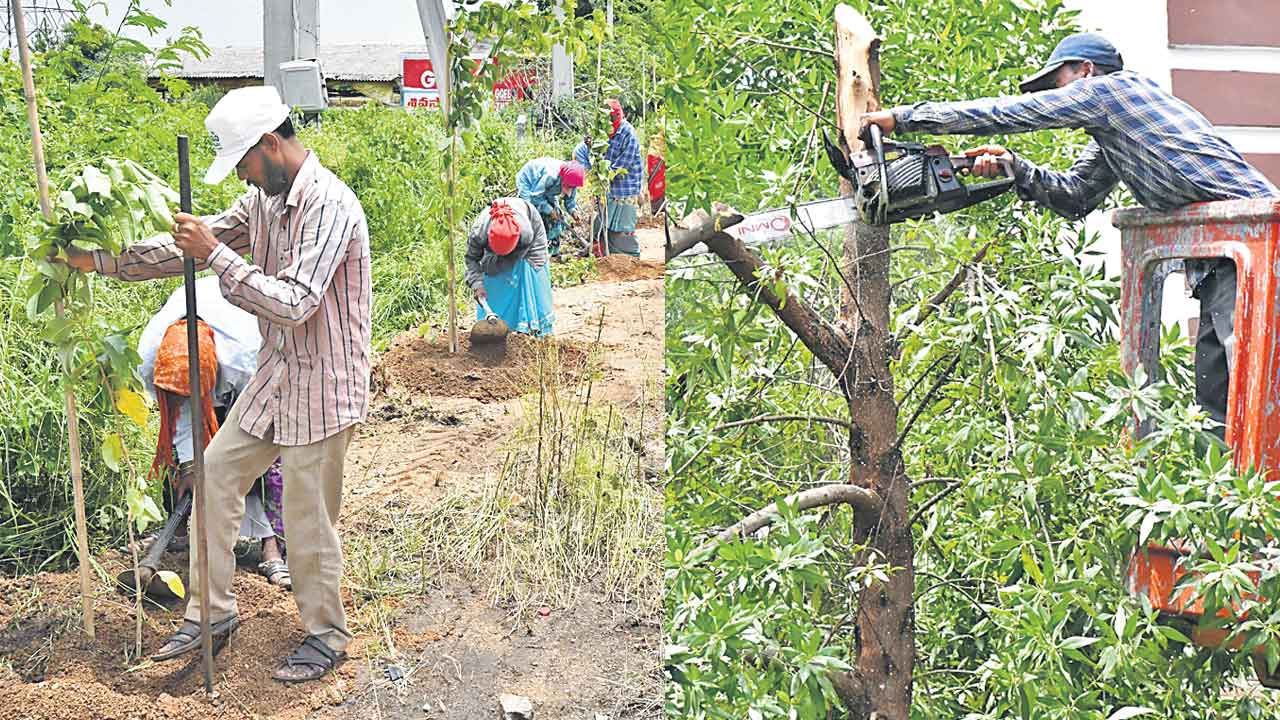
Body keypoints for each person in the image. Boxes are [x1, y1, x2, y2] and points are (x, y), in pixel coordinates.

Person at [62, 85, 371, 683]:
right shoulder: (262, 203)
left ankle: (326, 636)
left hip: (324, 385)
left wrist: (217, 256)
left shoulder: (330, 205)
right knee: (215, 473)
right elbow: (190, 247)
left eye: (245, 164)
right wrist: (101, 261)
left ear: (271, 145)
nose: (242, 179)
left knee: (307, 518)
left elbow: (295, 303)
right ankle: (212, 613)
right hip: (277, 375)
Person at [859, 32, 1278, 438]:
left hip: (1257, 243)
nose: (1055, 96)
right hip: (1221, 261)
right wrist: (1015, 167)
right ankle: (1230, 503)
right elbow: (1075, 197)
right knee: (1218, 398)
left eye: (1056, 83)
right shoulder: (1117, 132)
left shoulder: (1113, 91)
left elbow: (1010, 114)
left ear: (1086, 72)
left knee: (1254, 380)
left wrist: (905, 119)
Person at [138, 276, 290, 590]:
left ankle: (271, 547)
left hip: (251, 383)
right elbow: (179, 414)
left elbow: (254, 436)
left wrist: (232, 467)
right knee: (178, 456)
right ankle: (180, 531)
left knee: (263, 462)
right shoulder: (152, 359)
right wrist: (192, 466)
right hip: (192, 362)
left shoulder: (245, 359)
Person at [464, 198, 554, 336]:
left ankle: (530, 327)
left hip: (531, 226)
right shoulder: (479, 232)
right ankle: (498, 325)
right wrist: (477, 285)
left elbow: (512, 261)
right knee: (493, 270)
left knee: (528, 270)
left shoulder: (526, 234)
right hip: (501, 241)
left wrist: (503, 262)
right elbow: (471, 259)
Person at [592, 99, 644, 257]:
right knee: (604, 222)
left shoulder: (628, 133)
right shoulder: (602, 131)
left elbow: (624, 163)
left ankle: (629, 258)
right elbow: (598, 155)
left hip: (626, 186)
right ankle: (604, 254)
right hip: (609, 186)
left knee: (622, 226)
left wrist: (604, 175)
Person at [516, 157, 584, 258]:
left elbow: (570, 199)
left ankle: (553, 252)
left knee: (557, 217)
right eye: (569, 186)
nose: (571, 189)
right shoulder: (550, 176)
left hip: (547, 189)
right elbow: (536, 196)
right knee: (530, 213)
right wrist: (549, 210)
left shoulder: (572, 180)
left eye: (572, 187)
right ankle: (530, 249)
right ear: (563, 180)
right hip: (529, 182)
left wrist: (573, 211)